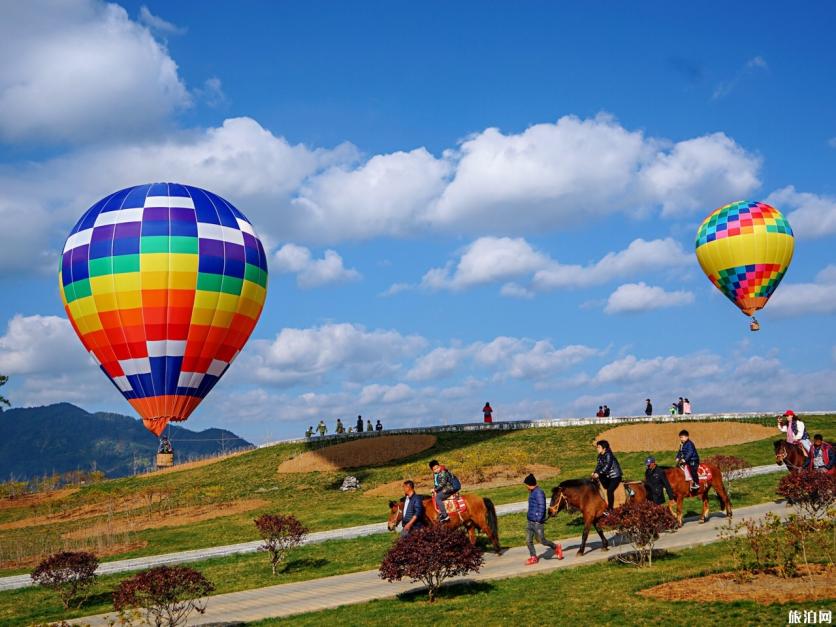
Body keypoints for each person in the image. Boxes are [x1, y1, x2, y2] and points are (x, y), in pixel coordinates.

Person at [523, 473, 560, 564]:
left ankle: (556, 547)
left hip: (537, 522)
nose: (526, 486)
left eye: (526, 484)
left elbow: (542, 506)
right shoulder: (532, 492)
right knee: (528, 541)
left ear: (530, 484)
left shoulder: (539, 492)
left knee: (542, 540)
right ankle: (533, 557)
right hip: (530, 521)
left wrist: (538, 519)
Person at [592, 440, 622, 511]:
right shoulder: (599, 456)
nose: (597, 449)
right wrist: (594, 472)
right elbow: (598, 466)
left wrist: (599, 473)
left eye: (599, 447)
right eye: (597, 447)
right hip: (608, 476)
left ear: (604, 448)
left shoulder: (609, 455)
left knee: (609, 490)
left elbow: (607, 466)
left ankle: (610, 509)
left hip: (615, 476)